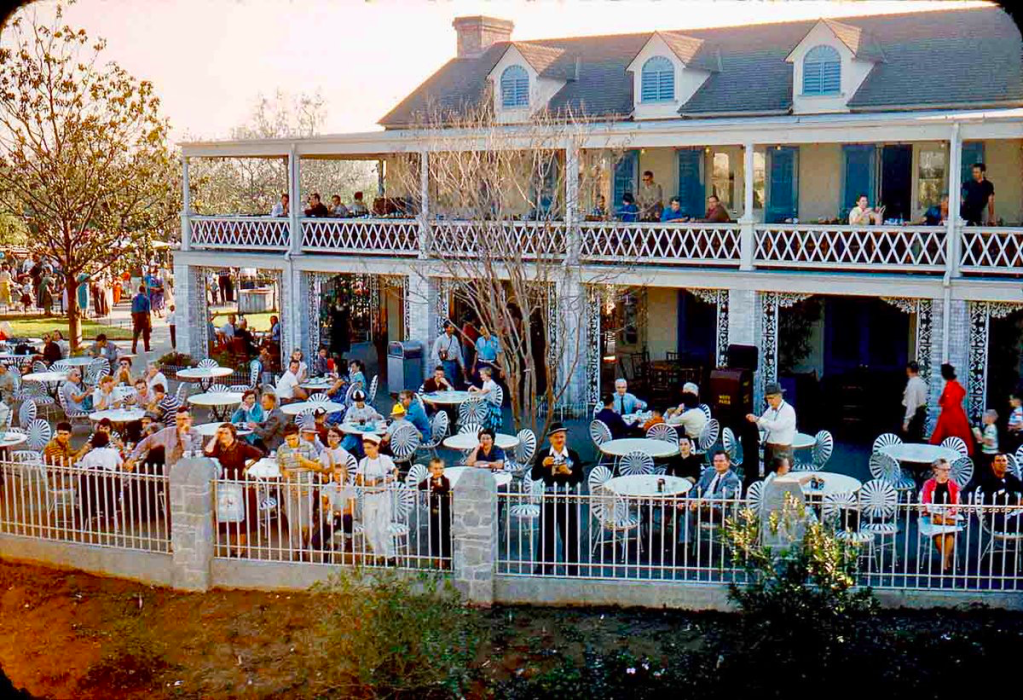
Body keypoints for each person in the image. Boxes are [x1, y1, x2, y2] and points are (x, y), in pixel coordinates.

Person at [531, 422, 583, 576]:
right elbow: (534, 475)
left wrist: (569, 472)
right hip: (549, 497)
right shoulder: (544, 454)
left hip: (567, 497)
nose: (559, 440)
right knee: (546, 532)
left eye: (562, 437)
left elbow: (580, 478)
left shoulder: (572, 455)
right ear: (550, 439)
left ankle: (571, 567)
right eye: (556, 437)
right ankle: (544, 566)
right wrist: (542, 464)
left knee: (570, 533)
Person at [205, 422, 263, 553]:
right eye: (221, 433)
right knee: (228, 515)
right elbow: (207, 452)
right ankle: (232, 545)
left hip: (240, 483)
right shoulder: (219, 447)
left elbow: (259, 453)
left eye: (226, 433)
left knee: (241, 516)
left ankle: (241, 547)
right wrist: (215, 436)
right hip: (225, 483)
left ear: (232, 434)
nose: (223, 436)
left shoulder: (241, 446)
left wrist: (247, 467)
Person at [309, 428, 358, 554]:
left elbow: (336, 470)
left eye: (334, 436)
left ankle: (348, 540)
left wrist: (330, 458)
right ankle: (328, 549)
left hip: (341, 511)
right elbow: (320, 468)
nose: (330, 439)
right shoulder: (324, 451)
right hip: (326, 486)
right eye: (329, 436)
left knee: (346, 517)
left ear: (340, 438)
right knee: (316, 539)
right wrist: (322, 474)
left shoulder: (342, 454)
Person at [678, 450, 741, 545]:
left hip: (718, 508)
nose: (718, 464)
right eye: (715, 461)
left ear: (728, 463)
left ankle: (684, 541)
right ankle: (685, 543)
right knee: (685, 512)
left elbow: (723, 495)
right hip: (699, 506)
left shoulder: (732, 478)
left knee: (689, 509)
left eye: (721, 461)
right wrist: (691, 501)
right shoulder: (709, 472)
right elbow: (697, 488)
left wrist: (704, 501)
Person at [277, 424, 322, 551]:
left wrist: (303, 460)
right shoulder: (282, 449)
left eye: (293, 438)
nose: (291, 441)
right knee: (293, 521)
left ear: (298, 435)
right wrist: (284, 473)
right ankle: (298, 548)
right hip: (289, 488)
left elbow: (318, 466)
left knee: (305, 522)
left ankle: (306, 543)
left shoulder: (308, 447)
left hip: (305, 488)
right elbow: (280, 467)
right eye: (288, 439)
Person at [355, 433, 398, 562]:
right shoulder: (363, 462)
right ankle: (378, 554)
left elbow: (395, 470)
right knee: (369, 527)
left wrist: (392, 477)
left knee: (383, 527)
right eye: (365, 448)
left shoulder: (385, 459)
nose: (366, 450)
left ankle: (390, 555)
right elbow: (358, 480)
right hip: (369, 496)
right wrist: (369, 483)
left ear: (376, 447)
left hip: (382, 495)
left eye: (369, 447)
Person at [125, 407, 201, 472]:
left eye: (184, 419)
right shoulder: (168, 432)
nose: (181, 422)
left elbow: (191, 454)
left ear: (190, 419)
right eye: (178, 419)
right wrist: (132, 458)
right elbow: (147, 442)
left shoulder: (196, 435)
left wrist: (183, 435)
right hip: (170, 473)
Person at [920, 458, 961, 573]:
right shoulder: (928, 484)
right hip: (933, 515)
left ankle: (944, 560)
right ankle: (946, 561)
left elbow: (956, 504)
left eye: (948, 470)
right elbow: (926, 502)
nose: (947, 472)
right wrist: (937, 514)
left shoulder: (953, 485)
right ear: (936, 470)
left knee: (949, 534)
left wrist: (948, 513)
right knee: (938, 535)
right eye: (944, 470)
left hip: (948, 515)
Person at [747, 382, 796, 471]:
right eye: (767, 399)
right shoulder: (770, 409)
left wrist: (758, 419)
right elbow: (762, 423)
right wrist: (752, 422)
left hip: (782, 451)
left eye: (771, 398)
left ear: (780, 396)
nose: (769, 401)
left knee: (782, 477)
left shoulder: (788, 410)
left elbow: (777, 427)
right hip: (769, 448)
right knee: (768, 474)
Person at [929, 364, 974, 456]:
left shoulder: (950, 386)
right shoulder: (956, 385)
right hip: (958, 413)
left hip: (950, 415)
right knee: (960, 437)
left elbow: (948, 403)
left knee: (942, 436)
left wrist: (942, 403)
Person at [974, 453, 1023, 531]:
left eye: (1004, 461)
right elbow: (991, 505)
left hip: (1014, 515)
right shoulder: (987, 482)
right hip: (997, 519)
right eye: (998, 460)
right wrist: (1015, 504)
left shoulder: (1010, 478)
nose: (1001, 463)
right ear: (992, 465)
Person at [418, 457, 452, 568]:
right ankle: (437, 557)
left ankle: (446, 559)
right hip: (433, 512)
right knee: (434, 535)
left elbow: (444, 489)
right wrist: (431, 485)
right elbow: (420, 486)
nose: (438, 471)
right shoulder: (428, 481)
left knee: (445, 535)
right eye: (435, 468)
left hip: (444, 512)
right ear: (430, 469)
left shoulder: (446, 481)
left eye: (440, 468)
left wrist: (434, 487)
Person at [341, 390, 384, 456]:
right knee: (350, 439)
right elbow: (346, 420)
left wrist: (375, 417)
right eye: (357, 401)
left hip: (367, 431)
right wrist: (353, 420)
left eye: (361, 401)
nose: (359, 403)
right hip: (355, 431)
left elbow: (377, 418)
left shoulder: (369, 409)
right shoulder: (351, 409)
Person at [467, 365, 502, 431]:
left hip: (490, 405)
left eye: (482, 374)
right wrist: (472, 393)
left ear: (487, 375)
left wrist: (474, 387)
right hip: (485, 402)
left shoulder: (491, 383)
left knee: (472, 410)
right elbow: (481, 393)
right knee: (471, 407)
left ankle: (477, 426)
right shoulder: (485, 382)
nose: (481, 376)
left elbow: (482, 392)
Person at [432, 321, 465, 388]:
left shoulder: (455, 338)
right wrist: (440, 364)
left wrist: (462, 365)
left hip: (453, 363)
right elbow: (434, 354)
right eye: (451, 327)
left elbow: (458, 353)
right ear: (446, 329)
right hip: (445, 363)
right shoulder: (440, 339)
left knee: (454, 381)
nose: (453, 329)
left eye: (453, 327)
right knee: (449, 382)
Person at [902, 361, 929, 442]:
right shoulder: (922, 382)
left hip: (914, 416)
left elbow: (912, 404)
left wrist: (906, 422)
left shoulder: (912, 384)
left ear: (908, 369)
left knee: (910, 441)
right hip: (921, 413)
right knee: (917, 439)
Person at [130, 285, 152, 353]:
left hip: (136, 316)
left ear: (139, 290)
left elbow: (132, 309)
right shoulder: (146, 299)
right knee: (146, 332)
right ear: (144, 291)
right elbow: (147, 312)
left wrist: (133, 318)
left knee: (136, 333)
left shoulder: (134, 298)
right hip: (143, 316)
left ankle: (134, 347)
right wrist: (149, 322)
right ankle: (147, 347)